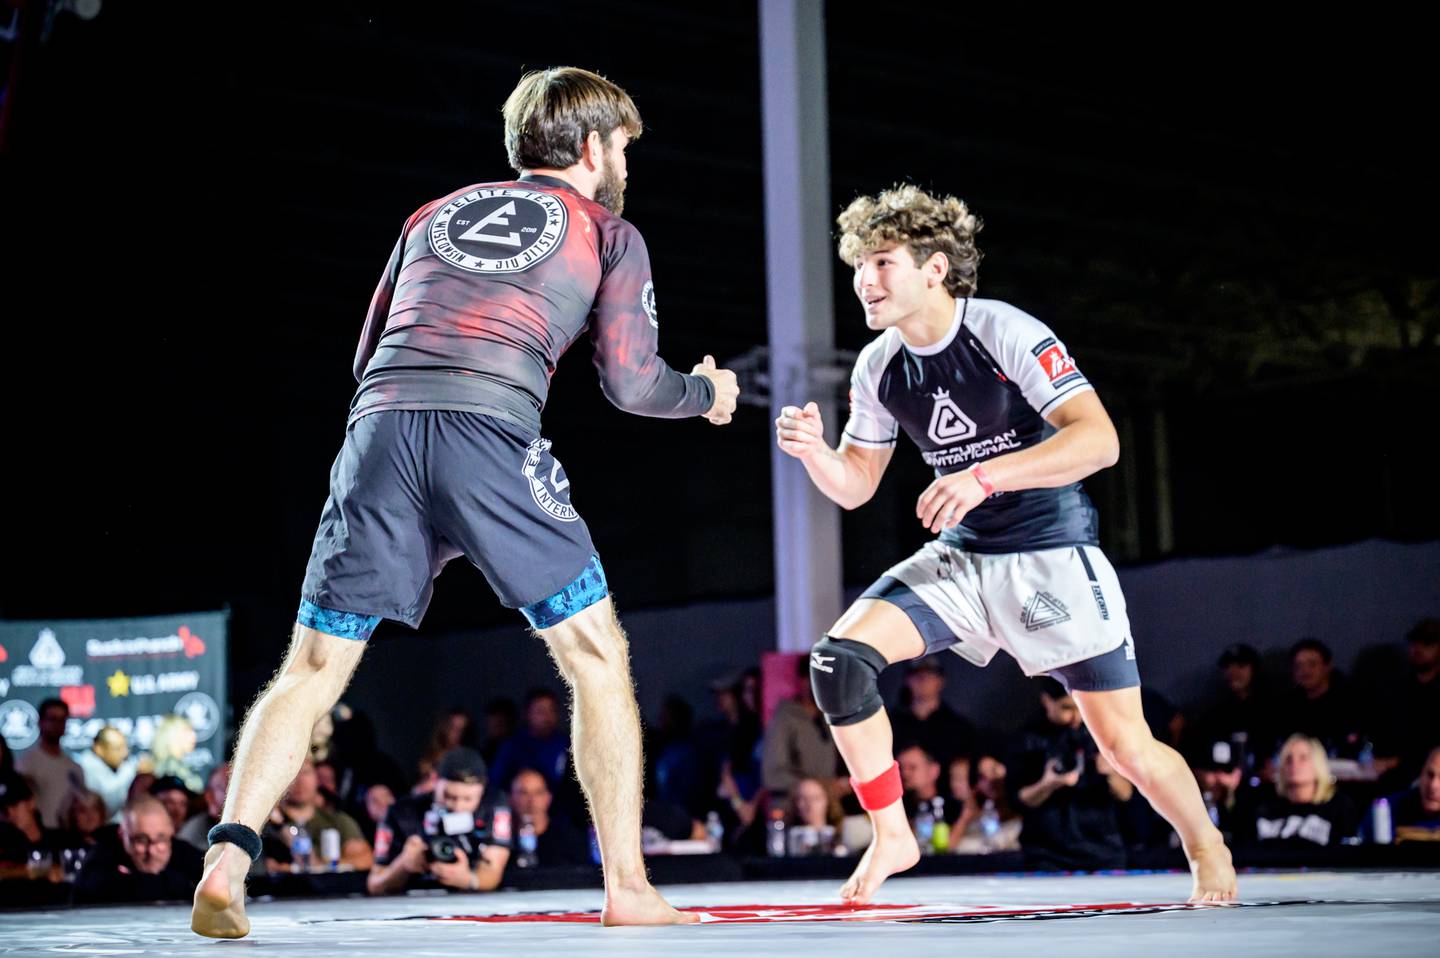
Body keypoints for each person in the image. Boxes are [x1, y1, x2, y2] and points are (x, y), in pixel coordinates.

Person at [190, 66, 736, 938]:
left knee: (312, 669)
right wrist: (706, 395)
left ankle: (227, 856)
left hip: (377, 432)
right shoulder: (607, 229)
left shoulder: (430, 215)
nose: (626, 161)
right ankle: (628, 889)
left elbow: (369, 349)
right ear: (594, 147)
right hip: (485, 429)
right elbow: (632, 386)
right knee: (596, 656)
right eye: (624, 145)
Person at [774, 184, 1235, 903]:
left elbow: (1102, 441)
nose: (865, 279)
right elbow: (858, 483)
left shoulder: (1003, 331)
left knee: (1124, 746)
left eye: (883, 261)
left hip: (1049, 554)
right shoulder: (878, 367)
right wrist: (815, 457)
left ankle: (1206, 846)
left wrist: (984, 475)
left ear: (934, 269)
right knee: (838, 663)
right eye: (859, 264)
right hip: (965, 557)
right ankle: (892, 833)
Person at [366, 748, 510, 895]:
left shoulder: (493, 805)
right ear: (435, 781)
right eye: (449, 796)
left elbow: (493, 869)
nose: (458, 807)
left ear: (482, 791)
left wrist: (467, 879)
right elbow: (374, 884)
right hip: (411, 902)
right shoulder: (402, 813)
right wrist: (403, 864)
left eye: (468, 799)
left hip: (468, 903)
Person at [76, 796, 203, 903]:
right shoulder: (101, 854)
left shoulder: (181, 850)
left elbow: (215, 882)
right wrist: (178, 883)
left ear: (171, 833)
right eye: (141, 840)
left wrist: (135, 881)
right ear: (122, 835)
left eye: (161, 839)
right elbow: (97, 890)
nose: (152, 851)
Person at [1246, 734, 1359, 847]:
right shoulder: (1264, 805)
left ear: (1318, 764)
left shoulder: (1339, 806)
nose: (1294, 764)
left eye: (1303, 758)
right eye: (1288, 759)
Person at [15, 698, 84, 829]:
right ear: (41, 722)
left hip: (69, 836)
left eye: (62, 720)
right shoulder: (26, 765)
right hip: (38, 835)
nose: (58, 725)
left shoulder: (74, 768)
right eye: (52, 719)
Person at [77, 726, 142, 822]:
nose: (125, 753)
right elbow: (107, 803)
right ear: (98, 749)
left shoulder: (115, 766)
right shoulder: (86, 767)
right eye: (117, 748)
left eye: (125, 747)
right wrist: (133, 770)